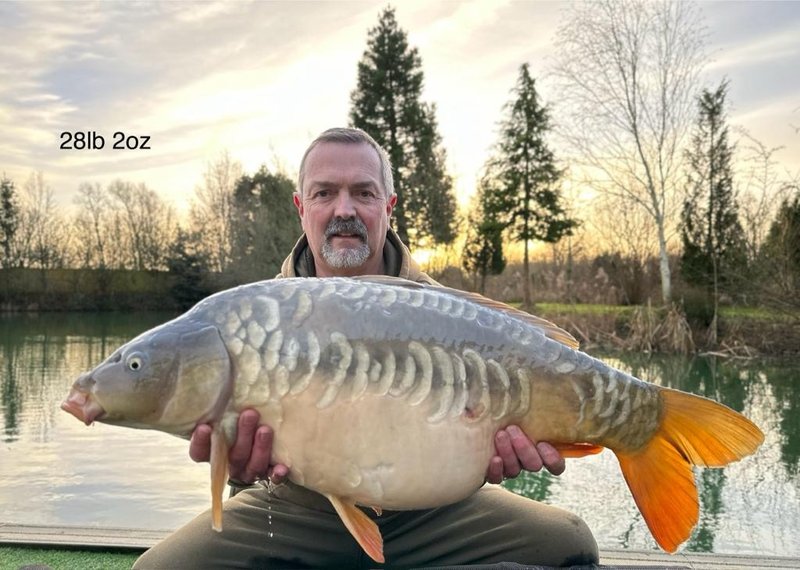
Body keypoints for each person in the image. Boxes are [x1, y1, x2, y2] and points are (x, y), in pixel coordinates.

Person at [134, 128, 599, 568]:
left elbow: (475, 437)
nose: (344, 209)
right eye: (324, 193)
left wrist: (493, 454)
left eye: (363, 192)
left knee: (569, 544)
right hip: (295, 508)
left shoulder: (441, 313)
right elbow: (237, 451)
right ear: (301, 207)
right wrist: (238, 467)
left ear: (388, 205)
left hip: (430, 510)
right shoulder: (255, 320)